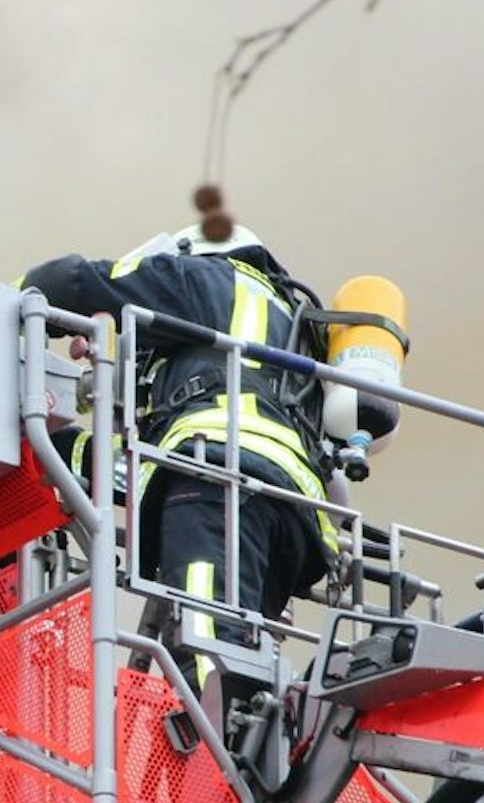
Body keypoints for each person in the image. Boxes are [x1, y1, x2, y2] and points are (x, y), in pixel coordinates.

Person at [21, 223, 344, 709]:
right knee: (242, 662)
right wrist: (52, 442)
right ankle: (238, 759)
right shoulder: (300, 344)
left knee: (206, 653)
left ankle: (215, 754)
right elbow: (139, 472)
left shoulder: (209, 278)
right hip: (293, 519)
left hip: (219, 487)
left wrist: (10, 311)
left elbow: (69, 281)